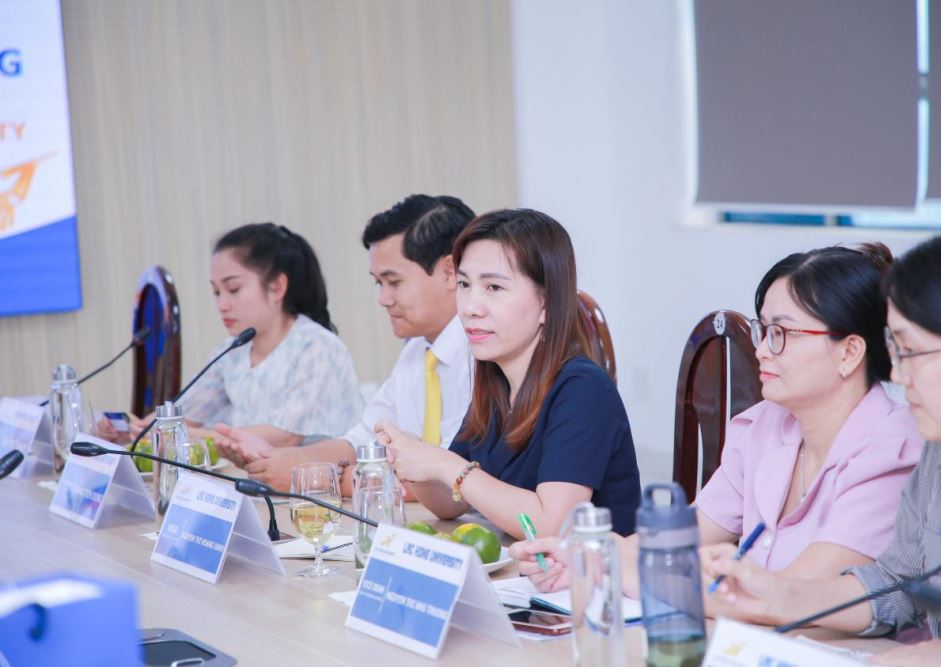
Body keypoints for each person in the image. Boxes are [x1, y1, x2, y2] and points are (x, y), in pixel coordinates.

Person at [512, 243, 923, 589]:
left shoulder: (893, 451)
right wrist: (584, 557)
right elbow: (681, 538)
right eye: (764, 331)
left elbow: (792, 596)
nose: (761, 351)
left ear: (849, 352)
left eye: (781, 334)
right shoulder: (765, 425)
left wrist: (618, 572)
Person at [701, 224, 941, 667]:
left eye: (913, 354)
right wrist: (778, 595)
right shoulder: (940, 455)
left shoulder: (898, 443)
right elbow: (894, 583)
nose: (897, 376)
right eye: (895, 352)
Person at [377, 208, 641, 537]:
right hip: (523, 566)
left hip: (595, 570)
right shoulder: (497, 383)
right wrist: (415, 460)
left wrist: (444, 464)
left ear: (546, 303)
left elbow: (553, 525)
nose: (470, 307)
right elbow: (451, 502)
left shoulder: (583, 389)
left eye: (494, 288)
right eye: (464, 284)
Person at [215, 195, 476, 493]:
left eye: (394, 282)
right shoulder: (417, 351)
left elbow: (448, 480)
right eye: (378, 283)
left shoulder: (482, 355)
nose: (383, 299)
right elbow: (359, 441)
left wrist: (317, 478)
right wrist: (278, 459)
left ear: (450, 272)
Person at [100, 222, 362, 448]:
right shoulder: (232, 351)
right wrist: (132, 430)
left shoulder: (317, 347)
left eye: (233, 289)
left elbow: (284, 437)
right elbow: (183, 416)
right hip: (256, 481)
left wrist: (174, 431)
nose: (222, 305)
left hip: (319, 487)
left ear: (277, 286)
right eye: (216, 292)